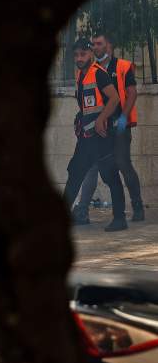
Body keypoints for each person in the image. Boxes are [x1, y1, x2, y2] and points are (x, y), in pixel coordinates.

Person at [72, 33, 144, 224]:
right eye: (93, 44)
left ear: (109, 45)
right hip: (98, 130)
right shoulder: (88, 70)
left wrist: (122, 119)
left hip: (118, 126)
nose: (95, 47)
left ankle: (137, 206)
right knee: (91, 167)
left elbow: (131, 93)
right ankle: (82, 211)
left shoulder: (123, 66)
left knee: (122, 164)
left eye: (99, 43)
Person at [62, 39, 127, 231]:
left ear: (90, 54)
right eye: (76, 55)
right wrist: (79, 120)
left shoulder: (99, 73)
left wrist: (101, 119)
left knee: (110, 176)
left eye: (83, 54)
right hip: (86, 138)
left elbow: (115, 99)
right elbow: (87, 106)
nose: (79, 58)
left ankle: (120, 218)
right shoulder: (80, 75)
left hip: (102, 137)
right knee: (74, 173)